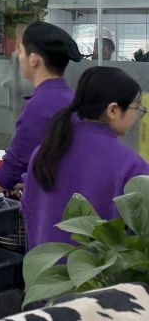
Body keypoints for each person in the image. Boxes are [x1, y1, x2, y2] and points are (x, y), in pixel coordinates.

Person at [0, 22, 81, 215]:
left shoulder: (40, 104)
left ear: (34, 59)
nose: (17, 56)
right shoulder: (71, 98)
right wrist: (25, 179)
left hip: (50, 208)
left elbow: (15, 164)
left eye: (20, 51)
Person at [23, 67, 149, 249]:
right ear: (113, 110)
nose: (137, 116)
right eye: (136, 108)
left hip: (45, 265)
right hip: (97, 268)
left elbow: (30, 211)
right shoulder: (131, 166)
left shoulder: (45, 152)